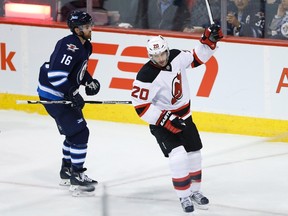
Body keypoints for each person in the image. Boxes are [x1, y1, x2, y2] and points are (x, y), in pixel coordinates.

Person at [130, 25, 223, 212]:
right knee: (179, 156)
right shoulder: (145, 76)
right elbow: (141, 108)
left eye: (163, 54)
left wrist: (209, 41)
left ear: (166, 50)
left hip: (185, 116)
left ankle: (195, 191)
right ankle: (184, 196)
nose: (161, 59)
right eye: (156, 56)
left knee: (194, 154)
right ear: (150, 56)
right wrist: (166, 119)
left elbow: (197, 58)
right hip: (161, 123)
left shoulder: (176, 55)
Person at [37, 10, 100, 195]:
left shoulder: (85, 46)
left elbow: (77, 70)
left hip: (62, 95)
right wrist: (73, 93)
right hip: (54, 96)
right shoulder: (69, 46)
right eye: (86, 27)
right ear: (76, 29)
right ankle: (76, 175)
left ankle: (66, 171)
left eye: (90, 25)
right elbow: (56, 76)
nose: (90, 29)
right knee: (81, 134)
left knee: (73, 134)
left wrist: (88, 81)